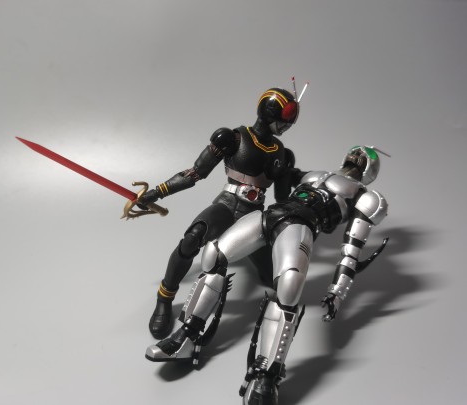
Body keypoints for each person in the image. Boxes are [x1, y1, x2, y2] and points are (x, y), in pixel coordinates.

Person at [145, 146, 388, 405]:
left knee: (289, 288)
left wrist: (337, 291)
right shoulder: (314, 174)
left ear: (370, 169)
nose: (357, 157)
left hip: (301, 225)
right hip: (269, 215)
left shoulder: (367, 197)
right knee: (213, 255)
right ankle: (187, 335)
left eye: (364, 157)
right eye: (356, 152)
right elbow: (281, 173)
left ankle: (266, 375)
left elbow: (352, 249)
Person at [139, 87, 304, 339]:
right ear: (268, 113)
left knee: (274, 275)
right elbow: (194, 173)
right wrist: (157, 192)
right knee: (192, 238)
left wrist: (298, 183)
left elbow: (282, 199)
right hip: (226, 206)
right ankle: (165, 297)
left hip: (253, 219)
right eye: (284, 120)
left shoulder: (283, 154)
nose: (287, 126)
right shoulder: (233, 138)